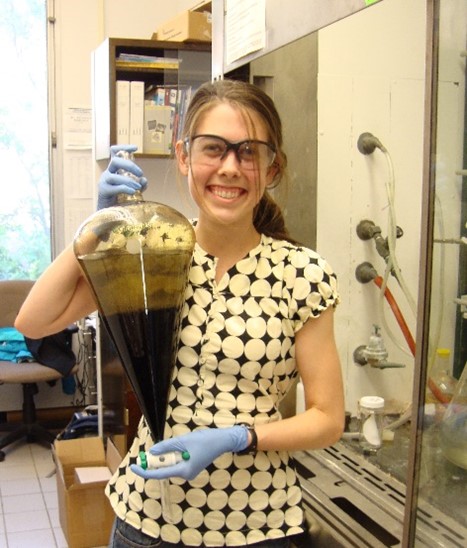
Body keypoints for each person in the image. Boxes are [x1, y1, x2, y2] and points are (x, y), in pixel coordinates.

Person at [15, 79, 344, 548]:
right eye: (214, 149)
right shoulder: (152, 250)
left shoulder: (303, 275)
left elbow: (328, 418)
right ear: (185, 157)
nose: (230, 168)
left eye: (248, 152)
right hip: (148, 519)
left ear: (272, 168)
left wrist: (237, 437)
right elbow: (34, 321)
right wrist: (96, 231)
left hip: (257, 523)